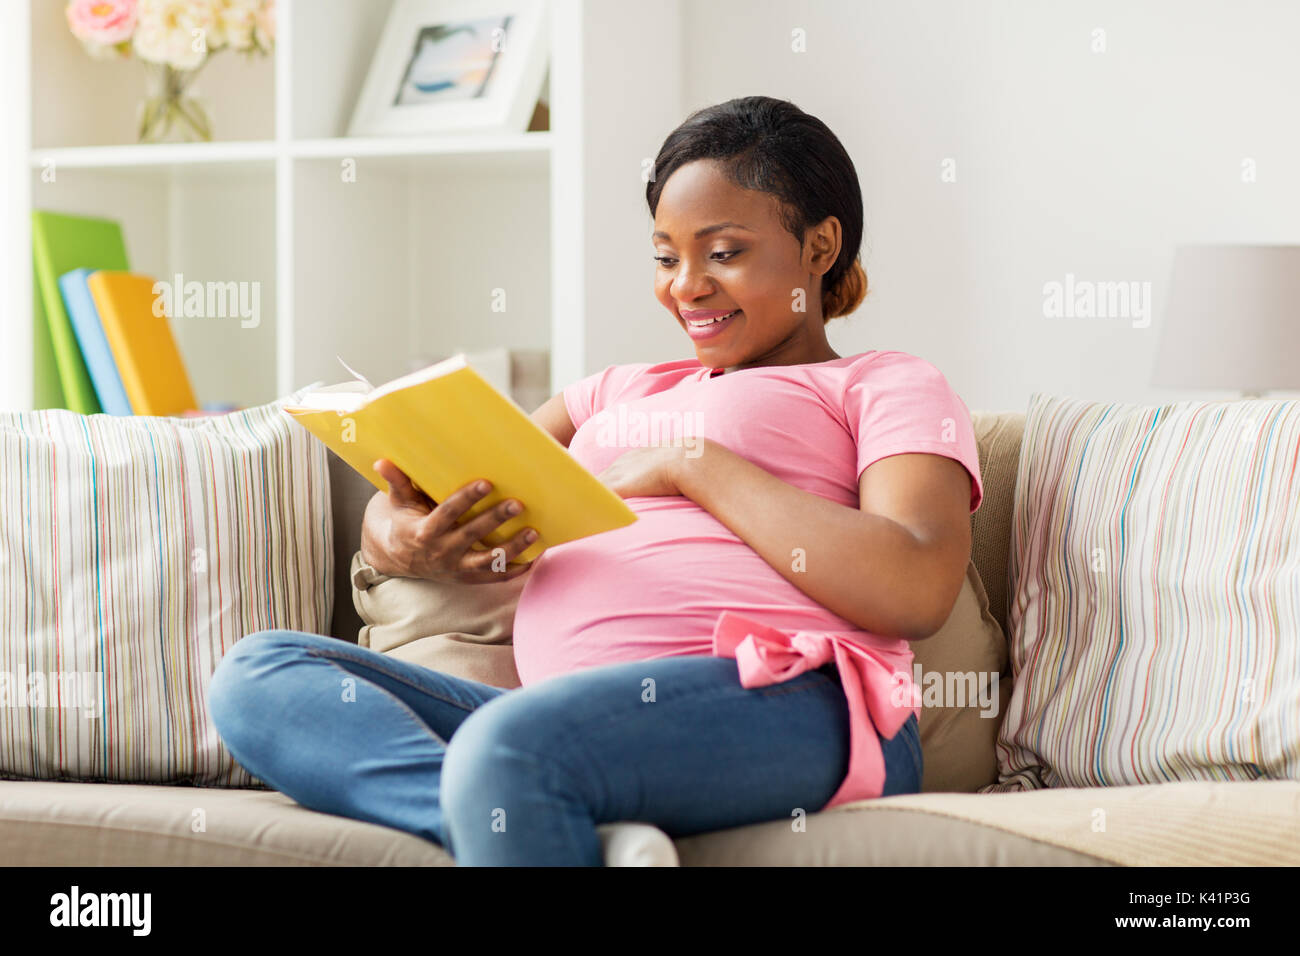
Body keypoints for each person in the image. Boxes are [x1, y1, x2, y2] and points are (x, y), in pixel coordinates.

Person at [207, 95, 984, 866]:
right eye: (665, 256)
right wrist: (401, 539)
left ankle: (516, 794)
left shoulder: (883, 384)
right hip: (561, 724)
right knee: (258, 675)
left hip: (796, 701)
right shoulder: (612, 391)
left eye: (723, 253)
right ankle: (536, 817)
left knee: (508, 749)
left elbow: (915, 583)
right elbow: (428, 485)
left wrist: (696, 464)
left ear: (820, 247)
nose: (686, 286)